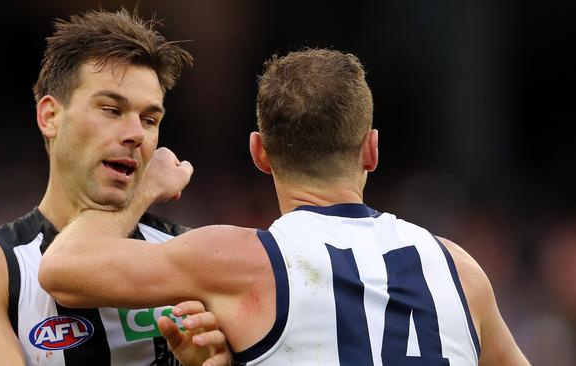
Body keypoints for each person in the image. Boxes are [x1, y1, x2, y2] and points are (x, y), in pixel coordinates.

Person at [39, 48, 530, 365]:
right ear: (371, 149)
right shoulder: (459, 270)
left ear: (260, 153)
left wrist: (143, 186)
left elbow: (63, 267)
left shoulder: (242, 261)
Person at [0, 9, 231, 366]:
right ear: (50, 117)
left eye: (150, 119)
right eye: (111, 110)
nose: (136, 134)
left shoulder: (188, 253)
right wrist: (143, 192)